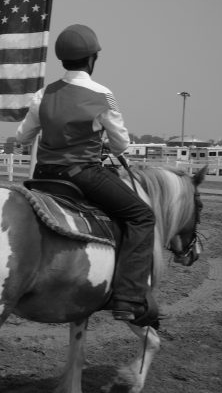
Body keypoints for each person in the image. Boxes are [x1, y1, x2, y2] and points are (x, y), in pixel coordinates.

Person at [16, 24, 159, 327]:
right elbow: (121, 143)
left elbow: (23, 136)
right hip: (82, 175)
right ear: (93, 59)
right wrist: (104, 141)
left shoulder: (42, 94)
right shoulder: (103, 95)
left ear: (62, 59)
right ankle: (129, 297)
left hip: (42, 178)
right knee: (142, 217)